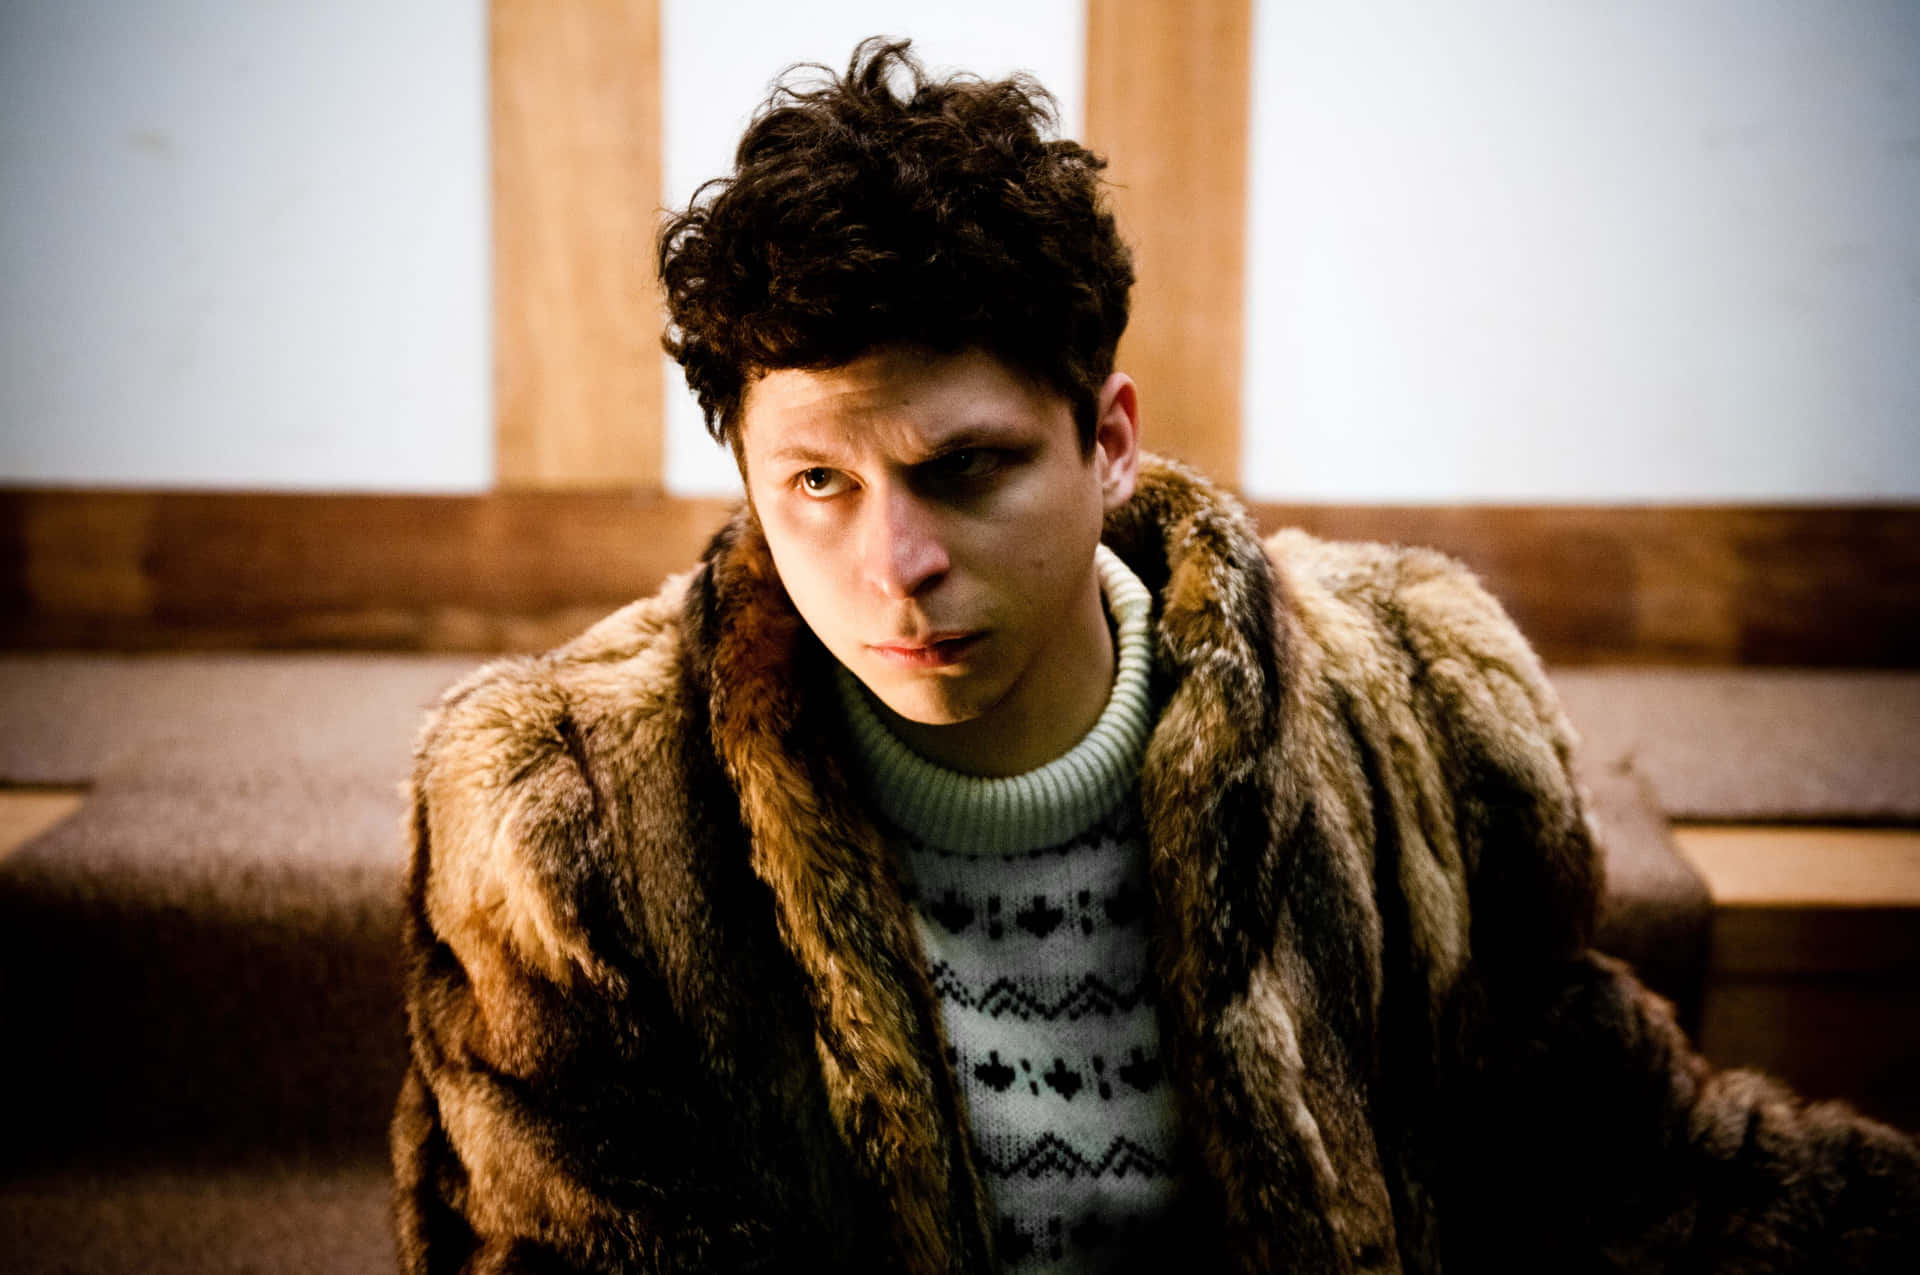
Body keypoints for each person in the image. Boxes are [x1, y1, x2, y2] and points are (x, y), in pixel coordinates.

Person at [391, 38, 1918, 1274]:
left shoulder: (1404, 716)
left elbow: (1617, 1171)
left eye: (967, 470)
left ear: (1107, 443)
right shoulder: (575, 826)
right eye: (818, 484)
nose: (895, 566)